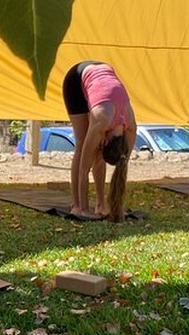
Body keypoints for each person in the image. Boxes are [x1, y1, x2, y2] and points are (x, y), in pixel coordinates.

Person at [62, 61, 137, 221]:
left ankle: (101, 204)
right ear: (107, 139)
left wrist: (117, 204)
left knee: (97, 151)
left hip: (104, 78)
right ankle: (77, 205)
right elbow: (84, 169)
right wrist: (84, 210)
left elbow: (123, 165)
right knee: (83, 144)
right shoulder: (100, 122)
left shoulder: (130, 128)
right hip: (76, 78)